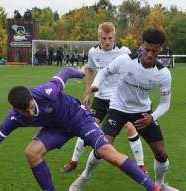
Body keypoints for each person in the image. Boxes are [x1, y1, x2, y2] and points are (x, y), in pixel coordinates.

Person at [0, 68, 173, 191]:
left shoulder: (46, 92)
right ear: (15, 109)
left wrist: (80, 73)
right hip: (57, 129)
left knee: (108, 153)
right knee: (31, 152)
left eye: (32, 107)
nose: (31, 114)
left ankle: (152, 188)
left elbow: (65, 72)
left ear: (33, 98)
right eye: (25, 111)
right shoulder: (13, 118)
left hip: (79, 118)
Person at [69, 28, 180, 191]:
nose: (150, 54)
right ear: (142, 45)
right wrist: (95, 85)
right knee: (102, 148)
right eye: (147, 49)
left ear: (160, 50)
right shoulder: (124, 60)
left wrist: (152, 117)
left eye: (154, 51)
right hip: (117, 109)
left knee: (161, 152)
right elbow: (104, 72)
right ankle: (84, 176)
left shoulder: (163, 74)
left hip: (143, 114)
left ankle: (160, 185)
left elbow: (165, 104)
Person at [60, 22, 146, 174]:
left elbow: (134, 70)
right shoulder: (93, 52)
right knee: (87, 126)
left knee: (129, 127)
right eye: (104, 38)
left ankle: (141, 166)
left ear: (115, 37)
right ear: (99, 37)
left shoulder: (124, 51)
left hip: (120, 98)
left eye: (110, 38)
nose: (107, 42)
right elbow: (91, 72)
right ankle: (73, 161)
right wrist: (88, 93)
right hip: (100, 97)